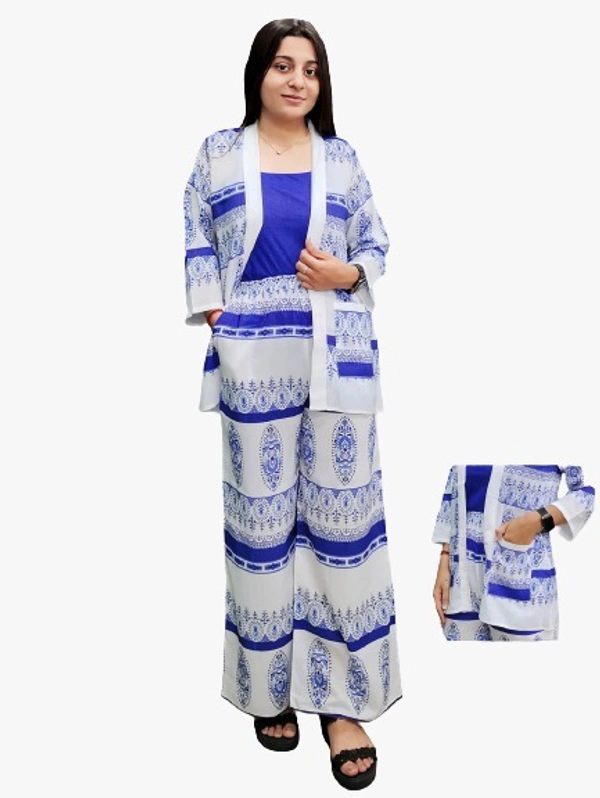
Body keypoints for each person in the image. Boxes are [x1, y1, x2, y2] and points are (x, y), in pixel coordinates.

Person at [183, 18, 401, 789]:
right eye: (282, 65)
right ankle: (269, 684)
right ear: (259, 74)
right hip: (256, 361)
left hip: (337, 353)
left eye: (310, 69)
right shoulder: (219, 152)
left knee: (343, 526)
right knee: (262, 525)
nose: (297, 80)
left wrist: (349, 276)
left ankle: (342, 704)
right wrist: (220, 315)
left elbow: (376, 241)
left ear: (321, 83)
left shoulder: (342, 159)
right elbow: (197, 233)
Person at [432, 464, 595, 641]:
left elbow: (587, 494)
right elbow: (452, 491)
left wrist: (537, 520)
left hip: (520, 578)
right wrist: (445, 556)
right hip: (461, 579)